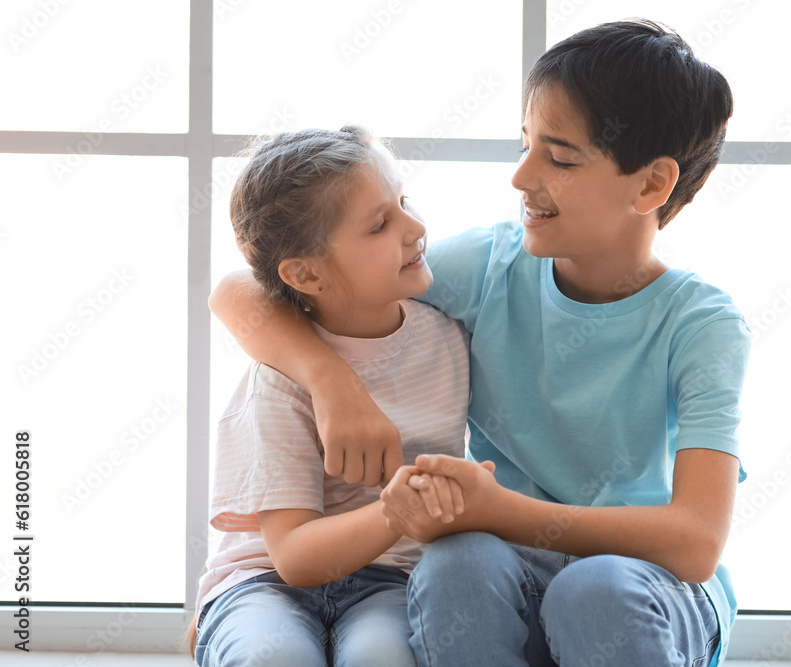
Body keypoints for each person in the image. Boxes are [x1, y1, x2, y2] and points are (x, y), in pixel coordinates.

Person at [210, 19, 750, 667]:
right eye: (525, 144)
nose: (522, 176)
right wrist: (331, 382)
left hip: (639, 585)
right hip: (503, 569)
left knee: (590, 588)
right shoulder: (489, 267)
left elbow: (694, 542)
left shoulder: (702, 323)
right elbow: (244, 288)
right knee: (454, 562)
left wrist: (503, 510)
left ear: (650, 185)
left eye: (560, 157)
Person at [189, 126, 478, 666]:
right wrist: (396, 510)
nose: (415, 228)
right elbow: (294, 558)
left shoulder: (451, 339)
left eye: (404, 202)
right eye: (380, 224)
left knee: (382, 659)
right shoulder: (279, 374)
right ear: (305, 273)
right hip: (264, 582)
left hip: (390, 579)